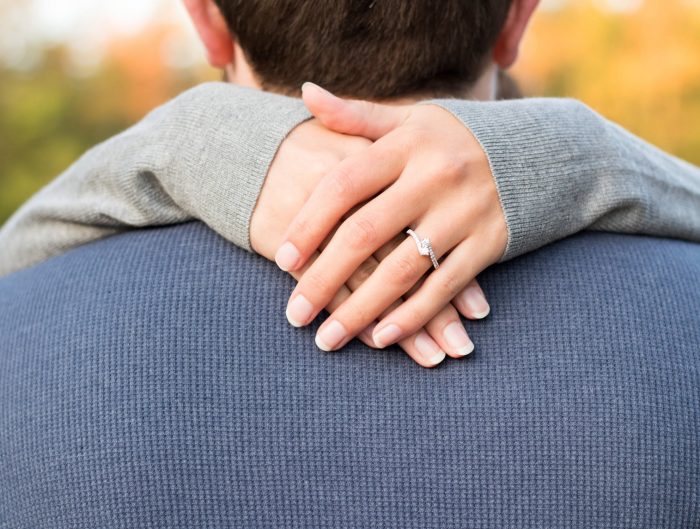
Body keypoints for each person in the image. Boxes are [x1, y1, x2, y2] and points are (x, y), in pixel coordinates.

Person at [0, 0, 698, 526]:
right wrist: (579, 152)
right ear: (518, 19)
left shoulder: (21, 339)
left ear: (206, 21)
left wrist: (183, 142)